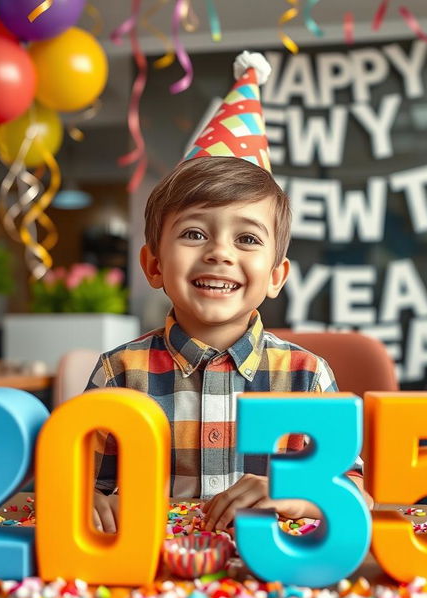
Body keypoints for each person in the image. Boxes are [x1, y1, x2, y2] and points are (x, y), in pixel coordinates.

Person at [86, 52, 373, 534]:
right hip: (151, 585)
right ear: (154, 265)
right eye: (195, 234)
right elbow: (79, 480)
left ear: (276, 276)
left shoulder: (306, 376)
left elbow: (355, 494)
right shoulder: (120, 372)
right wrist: (90, 500)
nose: (220, 253)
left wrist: (296, 497)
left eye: (247, 238)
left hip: (266, 580)